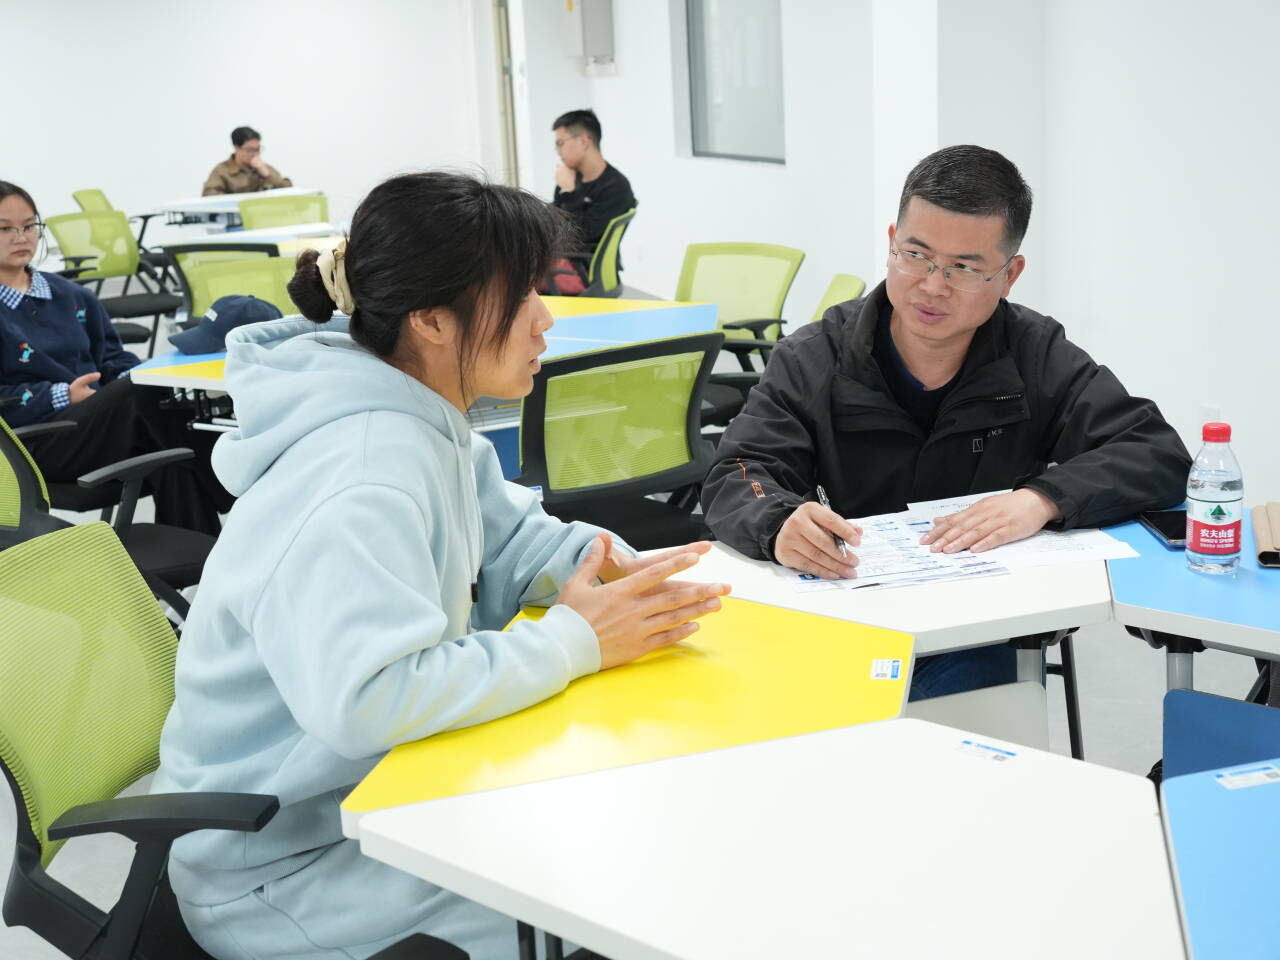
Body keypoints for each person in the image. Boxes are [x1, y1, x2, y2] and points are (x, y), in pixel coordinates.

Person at [153, 171, 728, 959]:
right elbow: (369, 699)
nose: (545, 317)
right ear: (429, 319)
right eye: (521, 297)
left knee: (624, 833)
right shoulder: (360, 477)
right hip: (286, 868)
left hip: (385, 793)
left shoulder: (422, 414)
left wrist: (606, 568)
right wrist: (575, 640)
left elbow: (513, 536)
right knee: (613, 895)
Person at [701, 145, 1190, 701]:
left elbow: (1155, 452)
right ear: (891, 243)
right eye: (916, 255)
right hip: (849, 609)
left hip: (981, 621)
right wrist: (778, 522)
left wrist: (1042, 499)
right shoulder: (815, 356)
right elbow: (739, 471)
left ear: (1009, 275)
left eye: (965, 268)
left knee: (962, 704)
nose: (933, 285)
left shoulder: (1034, 353)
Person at [0, 181, 233, 535]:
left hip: (103, 423)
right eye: (5, 228)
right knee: (149, 404)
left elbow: (112, 357)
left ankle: (199, 561)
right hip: (31, 443)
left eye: (30, 225)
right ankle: (228, 477)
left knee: (170, 449)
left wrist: (134, 375)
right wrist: (63, 396)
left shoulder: (72, 295)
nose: (21, 237)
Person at [544, 108, 635, 294]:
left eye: (560, 144)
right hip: (562, 258)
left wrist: (569, 192)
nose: (558, 152)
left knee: (514, 273)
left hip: (583, 268)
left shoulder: (615, 186)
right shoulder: (571, 177)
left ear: (584, 141)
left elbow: (578, 236)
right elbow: (552, 222)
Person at [201, 125, 293, 196]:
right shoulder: (222, 170)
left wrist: (267, 175)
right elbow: (209, 195)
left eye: (257, 149)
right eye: (250, 150)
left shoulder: (263, 168)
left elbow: (289, 190)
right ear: (236, 148)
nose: (255, 154)